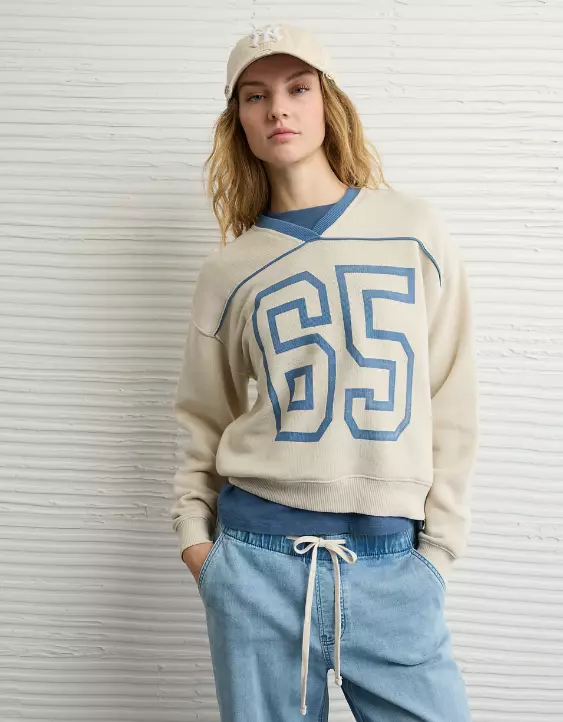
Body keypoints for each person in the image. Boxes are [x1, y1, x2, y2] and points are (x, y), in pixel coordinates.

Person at [171, 22, 479, 722]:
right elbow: (202, 417)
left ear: (327, 102)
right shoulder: (229, 270)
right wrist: (198, 544)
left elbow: (452, 394)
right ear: (238, 120)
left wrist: (438, 553)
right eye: (255, 95)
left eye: (297, 88)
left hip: (394, 566)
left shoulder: (414, 231)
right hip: (254, 564)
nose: (277, 108)